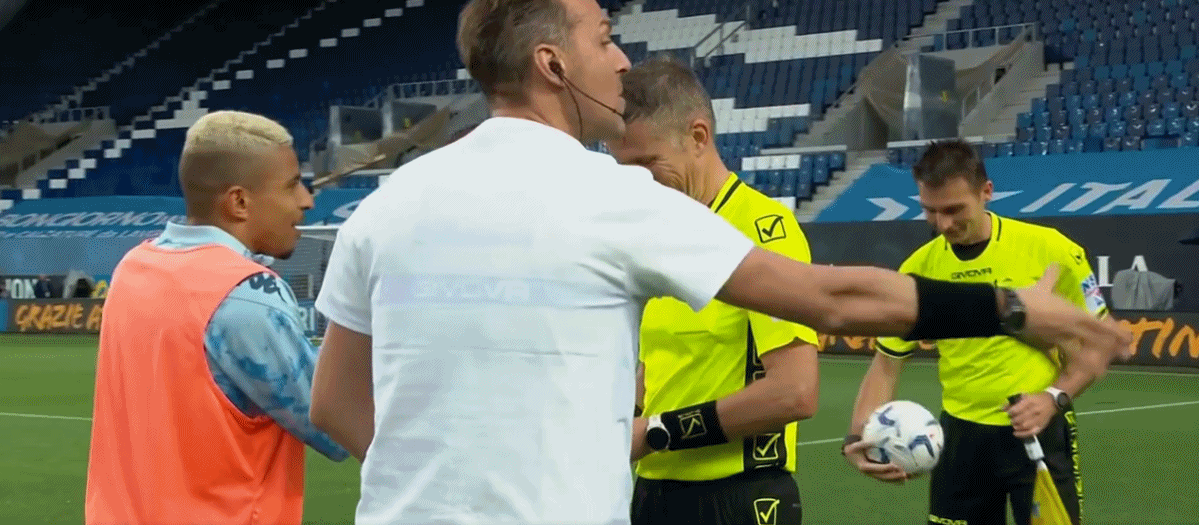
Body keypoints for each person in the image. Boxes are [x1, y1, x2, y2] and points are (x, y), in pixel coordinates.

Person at [308, 1, 1131, 525]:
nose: (621, 60)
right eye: (603, 38)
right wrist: (1010, 307)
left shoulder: (384, 204)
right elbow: (832, 300)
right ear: (552, 65)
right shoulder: (607, 195)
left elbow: (334, 401)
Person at [85, 110, 349, 525]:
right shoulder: (247, 293)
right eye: (292, 185)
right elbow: (336, 426)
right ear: (239, 202)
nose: (306, 201)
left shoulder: (132, 267)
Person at [841, 140, 1110, 525]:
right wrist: (857, 438)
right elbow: (887, 363)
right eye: (930, 211)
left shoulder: (1050, 249)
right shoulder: (919, 268)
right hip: (959, 439)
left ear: (986, 191)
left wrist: (1054, 397)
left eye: (954, 210)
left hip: (1039, 432)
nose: (943, 225)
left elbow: (1101, 343)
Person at [605, 56, 817, 525]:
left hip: (741, 496)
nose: (635, 184)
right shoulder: (652, 236)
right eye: (623, 168)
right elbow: (656, 367)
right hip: (654, 493)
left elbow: (794, 392)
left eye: (647, 163)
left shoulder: (765, 231)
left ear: (698, 137)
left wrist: (656, 433)